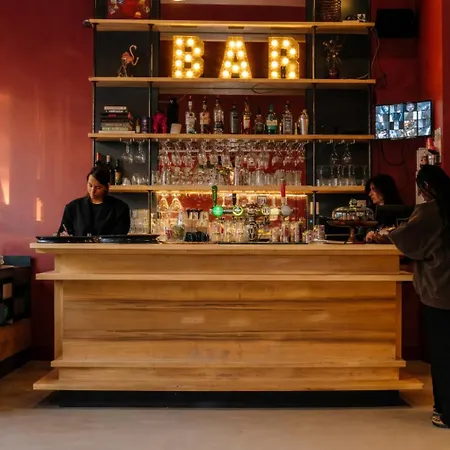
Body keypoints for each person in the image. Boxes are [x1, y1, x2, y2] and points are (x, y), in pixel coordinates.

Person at [389, 165, 450, 429]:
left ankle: (445, 412)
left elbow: (405, 239)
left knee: (443, 353)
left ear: (427, 187)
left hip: (440, 291)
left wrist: (383, 235)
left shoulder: (430, 212)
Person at [58, 166, 130, 236]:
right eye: (90, 185)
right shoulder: (72, 207)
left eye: (98, 187)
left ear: (106, 186)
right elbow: (63, 233)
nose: (92, 191)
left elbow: (119, 238)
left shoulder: (120, 209)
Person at [364, 174, 403, 242]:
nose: (370, 194)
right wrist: (369, 233)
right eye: (370, 190)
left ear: (384, 189)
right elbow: (361, 234)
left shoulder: (401, 211)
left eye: (373, 189)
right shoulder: (370, 212)